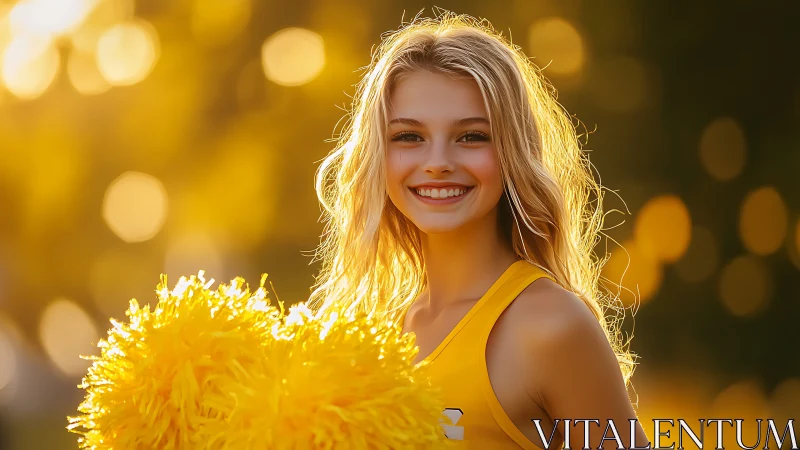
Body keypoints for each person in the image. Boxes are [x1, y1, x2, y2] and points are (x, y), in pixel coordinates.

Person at [309, 11, 650, 449]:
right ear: (378, 155)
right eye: (409, 137)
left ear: (512, 152)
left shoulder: (550, 325)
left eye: (471, 137)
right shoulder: (377, 333)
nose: (437, 162)